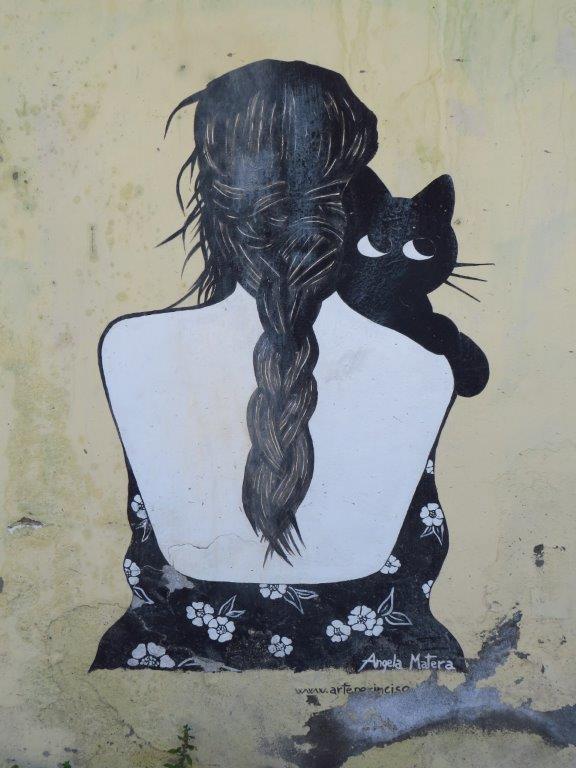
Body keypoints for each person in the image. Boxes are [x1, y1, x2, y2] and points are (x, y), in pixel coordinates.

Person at [91, 60, 467, 672]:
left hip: (154, 689)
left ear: (214, 196)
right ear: (355, 200)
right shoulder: (426, 366)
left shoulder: (126, 347)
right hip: (396, 702)